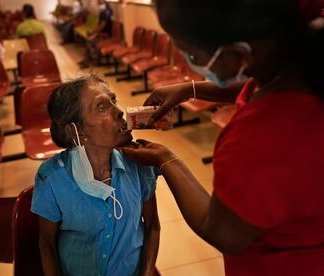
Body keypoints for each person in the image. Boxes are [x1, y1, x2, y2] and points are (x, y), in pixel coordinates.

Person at [119, 0, 324, 275]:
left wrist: (166, 159)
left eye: (191, 54)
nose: (190, 61)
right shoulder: (296, 57)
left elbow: (224, 233)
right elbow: (261, 81)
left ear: (239, 54)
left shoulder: (260, 138)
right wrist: (191, 88)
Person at [31, 75, 160, 276]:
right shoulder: (52, 179)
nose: (119, 112)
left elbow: (152, 226)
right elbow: (47, 245)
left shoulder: (140, 163)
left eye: (114, 101)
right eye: (102, 108)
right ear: (78, 131)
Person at [78, 0, 113, 68]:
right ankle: (87, 59)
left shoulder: (106, 12)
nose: (97, 2)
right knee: (88, 39)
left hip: (105, 35)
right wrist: (92, 33)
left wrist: (93, 33)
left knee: (91, 41)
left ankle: (95, 60)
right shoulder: (103, 11)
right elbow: (98, 25)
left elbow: (101, 26)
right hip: (100, 33)